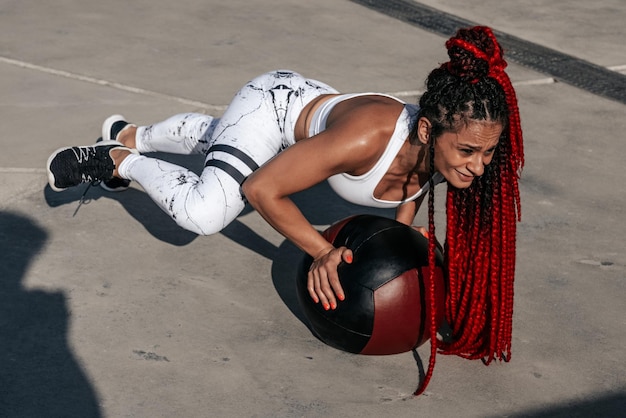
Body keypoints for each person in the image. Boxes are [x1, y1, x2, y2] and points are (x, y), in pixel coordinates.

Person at [46, 26, 523, 394]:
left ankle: (136, 132)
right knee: (204, 212)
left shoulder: (447, 155)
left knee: (225, 144)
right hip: (270, 107)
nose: (479, 167)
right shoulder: (366, 139)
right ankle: (118, 160)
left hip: (302, 121)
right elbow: (261, 188)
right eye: (467, 152)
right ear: (426, 133)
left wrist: (403, 243)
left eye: (488, 153)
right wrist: (320, 251)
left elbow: (410, 193)